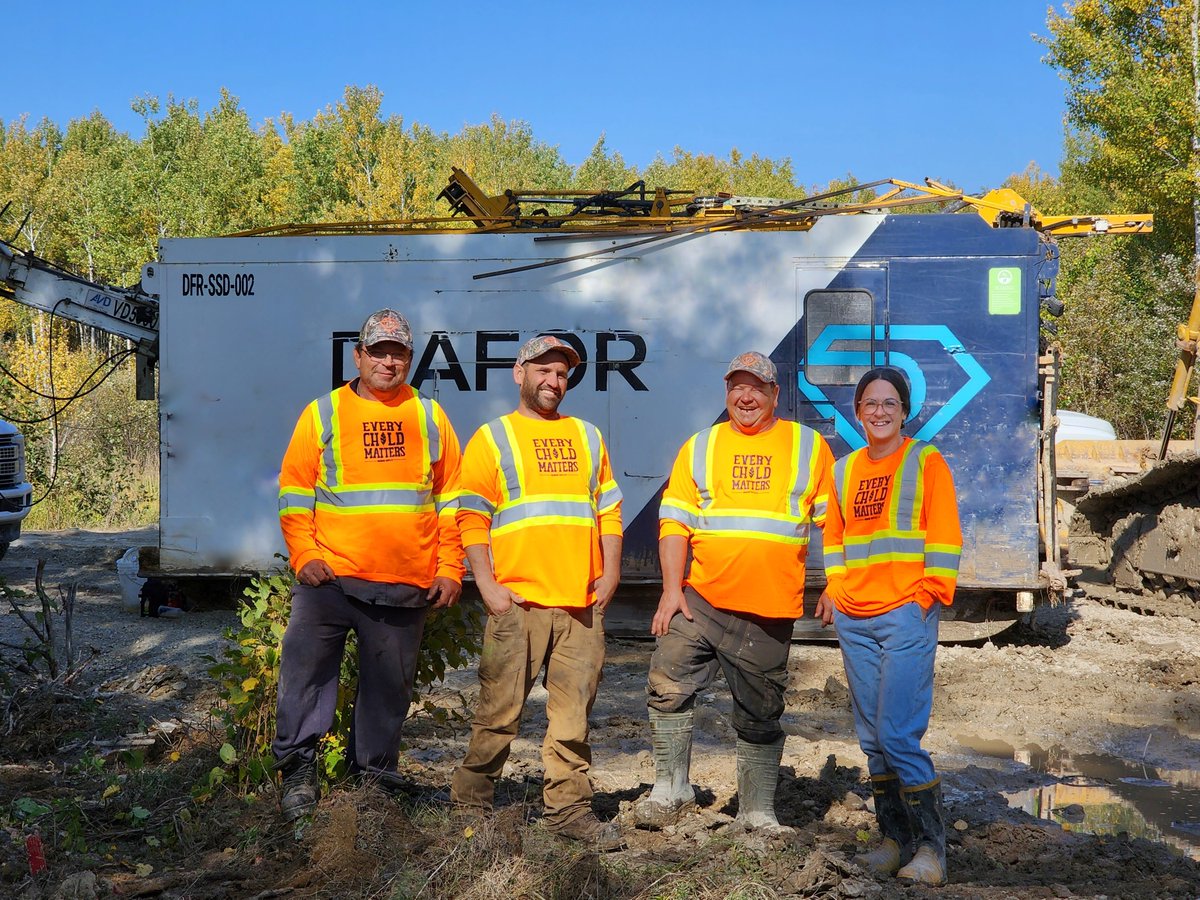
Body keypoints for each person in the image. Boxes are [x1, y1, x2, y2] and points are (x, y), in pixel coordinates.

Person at [273, 308, 464, 820]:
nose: (387, 360)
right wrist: (305, 555)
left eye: (397, 352)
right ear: (357, 356)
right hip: (329, 580)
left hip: (405, 582)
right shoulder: (323, 413)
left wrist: (450, 567)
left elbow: (452, 500)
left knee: (387, 694)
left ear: (409, 358)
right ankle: (297, 777)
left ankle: (373, 787)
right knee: (306, 677)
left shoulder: (430, 416)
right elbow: (294, 492)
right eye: (377, 351)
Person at [635, 351, 836, 833]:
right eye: (736, 388)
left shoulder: (808, 447)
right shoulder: (701, 447)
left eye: (756, 388)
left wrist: (835, 581)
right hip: (700, 599)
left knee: (761, 711)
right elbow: (674, 523)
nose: (745, 397)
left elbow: (836, 524)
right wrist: (669, 591)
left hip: (768, 610)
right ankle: (671, 791)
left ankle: (757, 813)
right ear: (727, 393)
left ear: (774, 394)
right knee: (667, 684)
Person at [450, 335, 624, 848]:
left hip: (579, 606)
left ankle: (568, 812)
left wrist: (610, 572)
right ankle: (471, 811)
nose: (554, 381)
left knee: (573, 720)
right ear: (519, 373)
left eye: (563, 374)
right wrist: (487, 585)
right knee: (498, 716)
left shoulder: (587, 436)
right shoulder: (493, 437)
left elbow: (608, 510)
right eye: (544, 371)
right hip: (518, 603)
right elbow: (471, 516)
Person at [815, 366, 961, 885]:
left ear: (904, 411)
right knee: (873, 738)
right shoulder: (843, 469)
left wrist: (930, 593)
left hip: (905, 612)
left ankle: (932, 851)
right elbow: (834, 536)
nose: (879, 411)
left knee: (899, 734)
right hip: (855, 616)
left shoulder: (925, 461)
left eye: (889, 403)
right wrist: (835, 586)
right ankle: (893, 841)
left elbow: (944, 532)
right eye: (870, 403)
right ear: (857, 412)